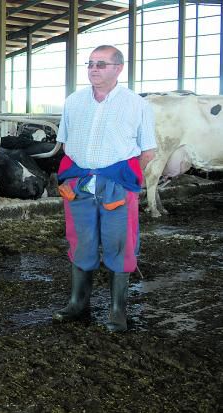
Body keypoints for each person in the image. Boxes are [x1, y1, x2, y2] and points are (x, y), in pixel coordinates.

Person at [52, 45, 157, 332]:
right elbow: (64, 143)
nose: (93, 69)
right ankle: (77, 303)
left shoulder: (137, 104)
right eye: (90, 64)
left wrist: (121, 177)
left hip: (117, 188)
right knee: (80, 241)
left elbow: (148, 151)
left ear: (118, 68)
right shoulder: (73, 101)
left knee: (119, 244)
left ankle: (117, 310)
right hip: (80, 186)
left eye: (101, 64)